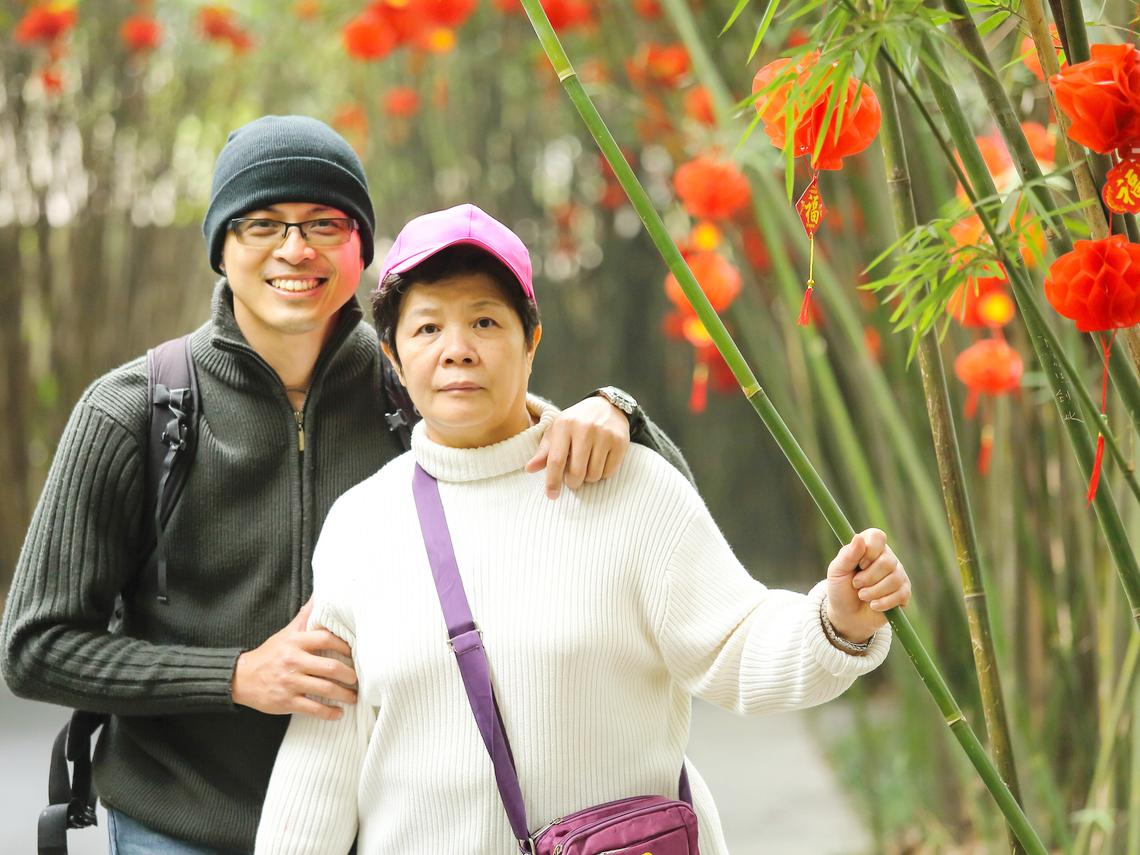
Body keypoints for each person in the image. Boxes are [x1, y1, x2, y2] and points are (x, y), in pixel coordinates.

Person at [0, 116, 690, 854]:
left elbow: (658, 521)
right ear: (222, 248)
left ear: (363, 248)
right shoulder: (135, 410)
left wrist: (617, 413)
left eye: (325, 223)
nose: (296, 249)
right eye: (263, 223)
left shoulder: (418, 388)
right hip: (181, 826)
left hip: (386, 825)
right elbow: (37, 645)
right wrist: (235, 675)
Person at [254, 204, 912, 854]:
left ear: (531, 341)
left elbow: (737, 647)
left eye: (485, 320)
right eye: (427, 329)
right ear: (394, 358)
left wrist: (837, 620)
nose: (457, 350)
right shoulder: (361, 527)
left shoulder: (628, 487)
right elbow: (322, 760)